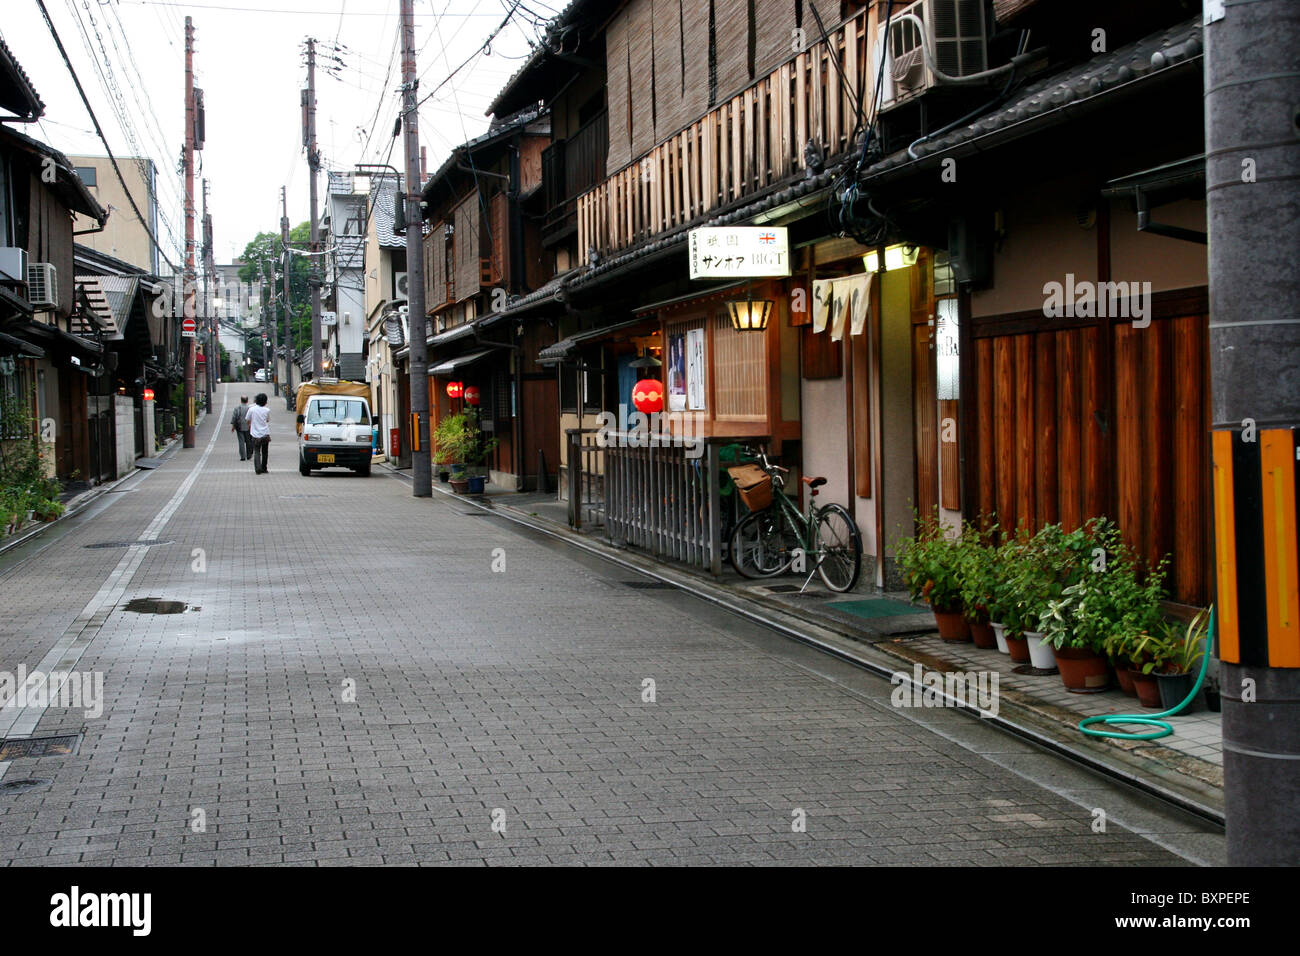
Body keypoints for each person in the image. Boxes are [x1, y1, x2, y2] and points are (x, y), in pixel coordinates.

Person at [247, 393, 271, 474]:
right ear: (265, 402)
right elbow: (267, 420)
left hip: (255, 434)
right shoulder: (267, 410)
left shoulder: (251, 409)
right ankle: (264, 468)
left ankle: (258, 468)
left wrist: (251, 424)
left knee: (257, 451)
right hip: (265, 434)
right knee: (265, 452)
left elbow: (247, 419)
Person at [230, 396, 252, 461]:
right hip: (248, 427)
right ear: (247, 401)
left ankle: (242, 456)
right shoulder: (249, 408)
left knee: (241, 441)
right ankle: (249, 455)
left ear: (241, 400)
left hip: (239, 427)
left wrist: (233, 427)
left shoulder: (237, 408)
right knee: (248, 441)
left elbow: (234, 417)